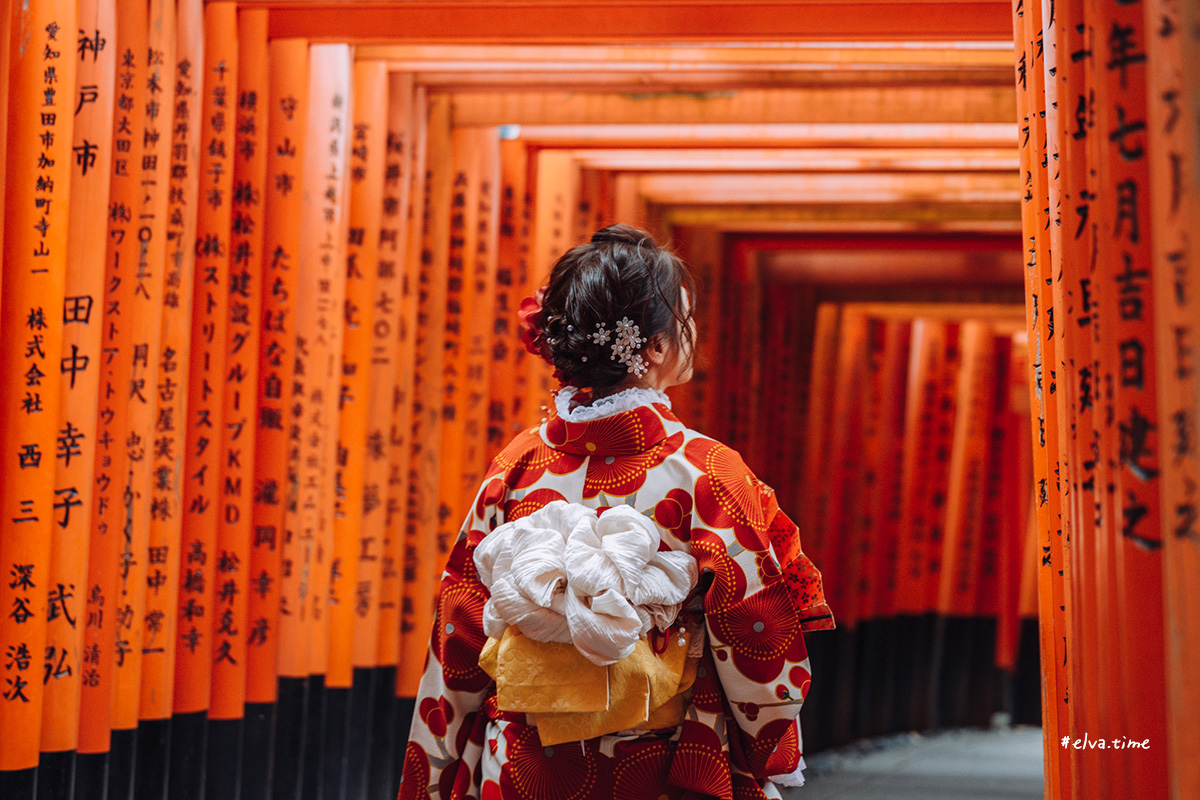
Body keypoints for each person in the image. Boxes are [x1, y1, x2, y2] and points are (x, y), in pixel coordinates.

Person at [400, 224, 834, 800]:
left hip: (523, 763)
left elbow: (460, 620)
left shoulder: (516, 466)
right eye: (687, 318)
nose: (694, 332)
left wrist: (433, 768)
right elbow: (754, 626)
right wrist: (768, 740)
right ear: (654, 348)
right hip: (655, 763)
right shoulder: (707, 472)